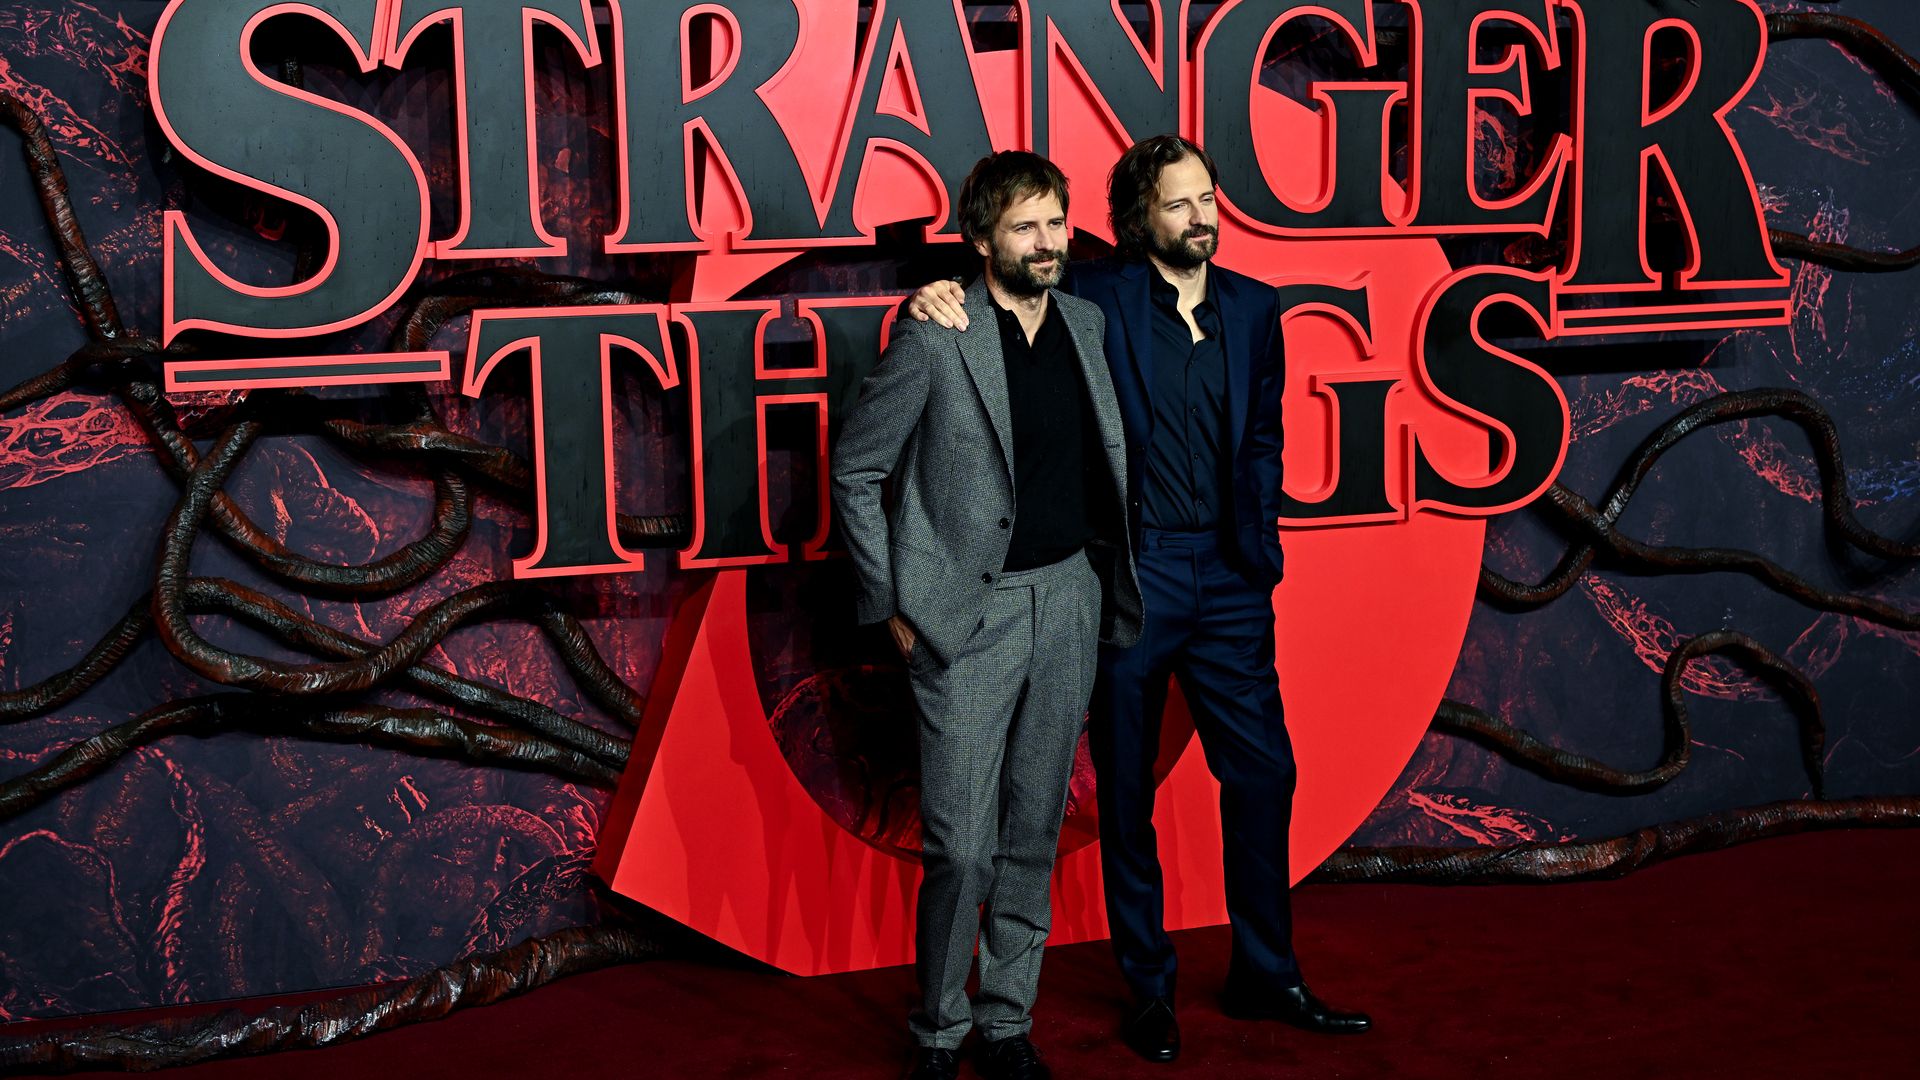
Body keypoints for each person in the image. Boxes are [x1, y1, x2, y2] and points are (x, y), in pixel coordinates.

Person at [904, 134, 1370, 1064]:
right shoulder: (1096, 302)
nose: (1202, 217)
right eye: (1179, 203)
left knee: (1264, 773)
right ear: (1136, 218)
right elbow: (1002, 306)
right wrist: (924, 297)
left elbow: (1264, 435)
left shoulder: (1254, 308)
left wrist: (1261, 543)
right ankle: (1149, 987)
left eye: (1209, 199)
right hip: (1135, 573)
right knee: (1125, 791)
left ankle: (1266, 971)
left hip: (1231, 581)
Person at [832, 150, 1142, 1080]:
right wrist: (891, 604)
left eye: (1056, 222)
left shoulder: (1087, 322)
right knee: (960, 848)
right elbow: (857, 470)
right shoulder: (938, 335)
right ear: (981, 240)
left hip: (1069, 601)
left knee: (1032, 831)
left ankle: (1007, 1024)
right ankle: (938, 1029)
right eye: (1025, 227)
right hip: (966, 616)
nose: (1047, 243)